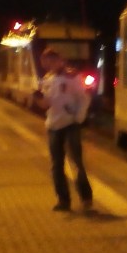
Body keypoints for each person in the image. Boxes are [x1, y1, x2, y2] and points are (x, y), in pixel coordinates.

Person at [36, 48, 94, 212]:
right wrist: (39, 99)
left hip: (70, 125)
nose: (49, 66)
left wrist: (78, 118)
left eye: (51, 62)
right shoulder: (47, 79)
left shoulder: (72, 77)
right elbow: (46, 105)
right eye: (46, 63)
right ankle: (63, 200)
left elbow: (84, 98)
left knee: (76, 162)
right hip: (53, 125)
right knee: (56, 165)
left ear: (59, 60)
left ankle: (86, 198)